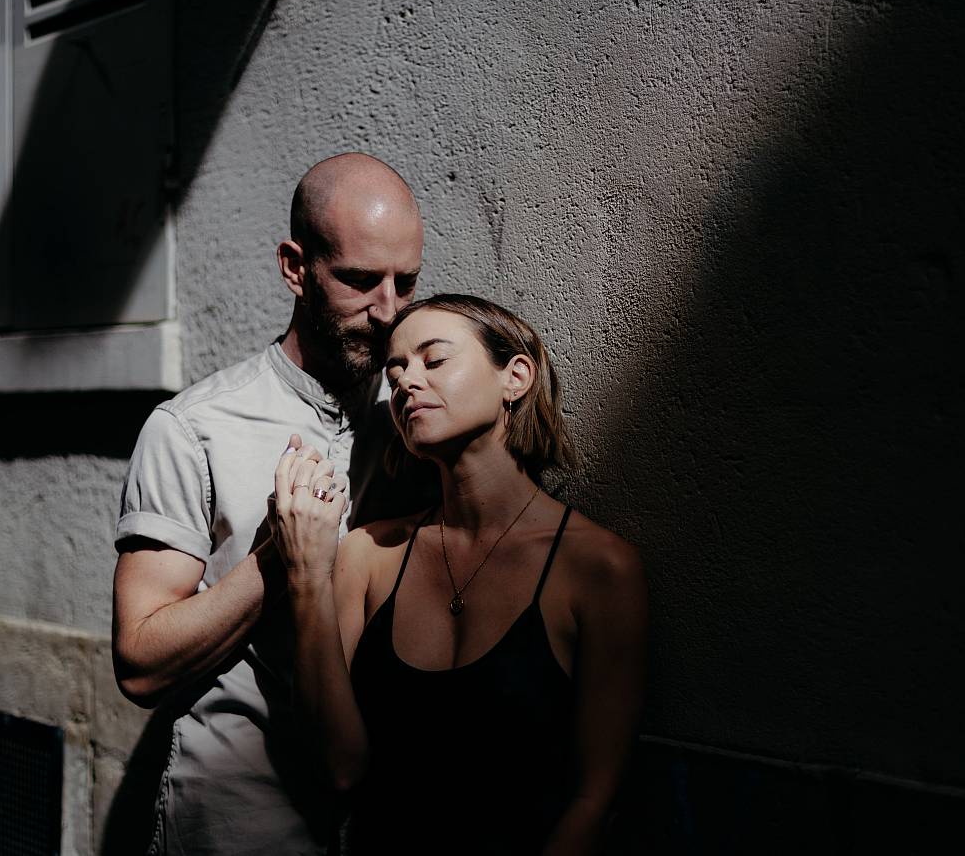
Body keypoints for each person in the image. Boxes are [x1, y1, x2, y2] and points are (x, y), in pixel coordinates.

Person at [111, 152, 427, 856]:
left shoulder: (415, 415)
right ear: (295, 268)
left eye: (405, 283)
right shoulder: (193, 429)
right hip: (244, 819)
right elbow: (139, 661)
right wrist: (278, 558)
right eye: (358, 280)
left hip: (386, 815)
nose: (388, 312)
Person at [273, 294, 647, 855]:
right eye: (394, 371)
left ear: (515, 377)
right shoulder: (368, 555)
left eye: (434, 360)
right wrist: (305, 573)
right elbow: (340, 768)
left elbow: (596, 800)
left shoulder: (599, 570)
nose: (405, 382)